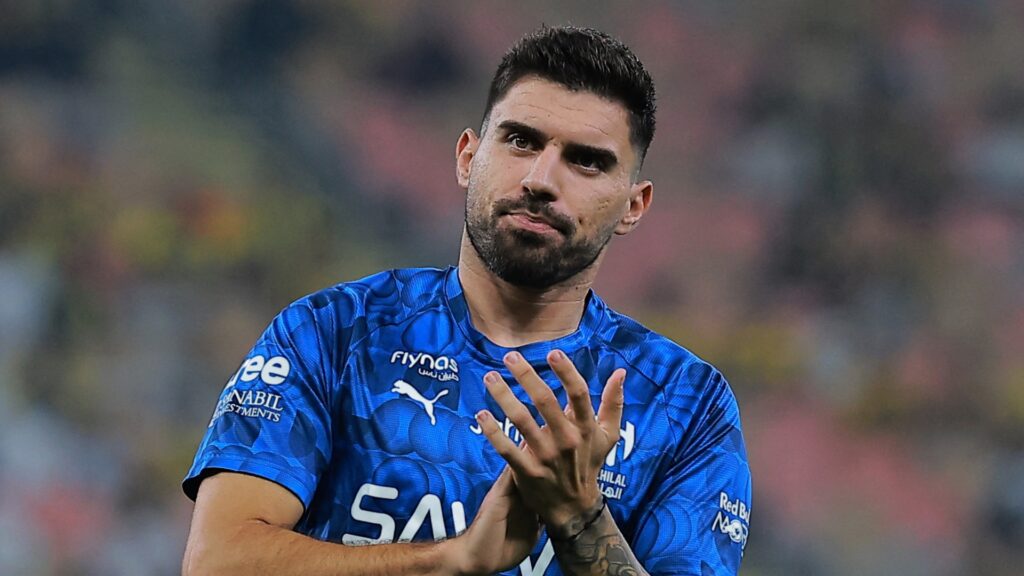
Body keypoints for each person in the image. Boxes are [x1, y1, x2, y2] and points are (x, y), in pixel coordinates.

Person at [181, 25, 751, 576]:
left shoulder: (687, 405)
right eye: (521, 140)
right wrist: (450, 561)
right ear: (466, 157)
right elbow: (217, 563)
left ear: (634, 205)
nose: (541, 178)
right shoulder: (333, 333)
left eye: (587, 161)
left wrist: (579, 517)